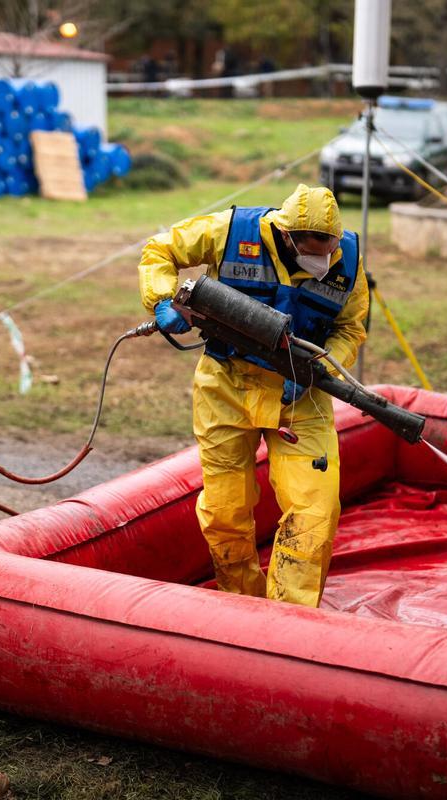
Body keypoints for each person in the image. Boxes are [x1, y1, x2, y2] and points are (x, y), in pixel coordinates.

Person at [138, 184, 369, 608]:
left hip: (301, 397)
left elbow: (350, 329)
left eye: (330, 247)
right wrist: (161, 301)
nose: (323, 257)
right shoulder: (229, 232)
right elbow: (160, 249)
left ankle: (291, 622)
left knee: (315, 513)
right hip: (226, 385)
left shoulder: (347, 263)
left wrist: (321, 365)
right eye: (313, 248)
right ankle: (242, 608)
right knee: (226, 511)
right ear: (286, 235)